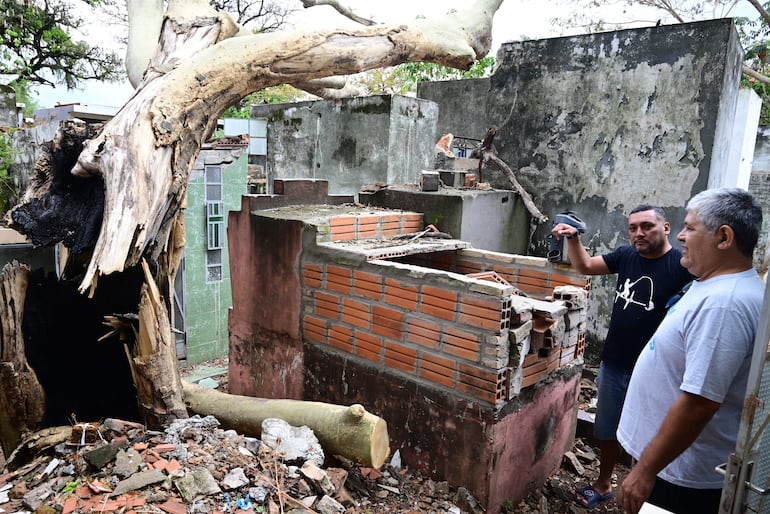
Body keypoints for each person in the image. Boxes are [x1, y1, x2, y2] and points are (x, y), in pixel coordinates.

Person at [617, 188, 765, 514]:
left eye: (690, 227)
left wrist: (645, 470)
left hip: (680, 476)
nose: (681, 235)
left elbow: (700, 401)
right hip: (670, 465)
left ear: (724, 238)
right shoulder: (714, 286)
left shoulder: (725, 304)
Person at [551, 205, 693, 509]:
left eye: (646, 227)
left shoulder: (681, 266)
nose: (638, 234)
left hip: (655, 370)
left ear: (666, 228)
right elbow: (586, 267)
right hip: (614, 362)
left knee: (651, 433)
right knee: (608, 427)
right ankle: (603, 483)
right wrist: (573, 238)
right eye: (632, 228)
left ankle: (644, 488)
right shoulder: (626, 256)